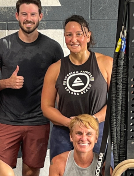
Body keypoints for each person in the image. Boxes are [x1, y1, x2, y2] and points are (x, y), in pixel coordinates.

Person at [0, 0, 63, 176]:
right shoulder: (2, 45)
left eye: (33, 14)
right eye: (24, 14)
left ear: (40, 16)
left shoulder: (53, 48)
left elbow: (61, 85)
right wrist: (6, 83)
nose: (28, 18)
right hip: (7, 120)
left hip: (38, 122)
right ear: (17, 16)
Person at [41, 14, 113, 159]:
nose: (73, 39)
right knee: (61, 172)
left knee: (102, 173)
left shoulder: (106, 63)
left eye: (79, 34)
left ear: (88, 36)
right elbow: (46, 107)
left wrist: (93, 120)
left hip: (97, 130)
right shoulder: (55, 69)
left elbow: (116, 101)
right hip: (64, 132)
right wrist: (71, 123)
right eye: (69, 35)